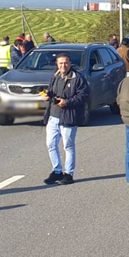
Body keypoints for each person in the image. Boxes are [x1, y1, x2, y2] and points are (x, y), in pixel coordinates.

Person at [43, 53, 89, 185]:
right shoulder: (56, 75)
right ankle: (57, 171)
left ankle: (69, 173)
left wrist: (67, 102)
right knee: (51, 144)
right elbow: (51, 90)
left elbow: (84, 95)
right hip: (54, 115)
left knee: (68, 146)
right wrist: (48, 95)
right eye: (61, 63)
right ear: (57, 64)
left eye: (66, 63)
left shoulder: (77, 78)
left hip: (69, 116)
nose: (63, 66)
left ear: (70, 63)